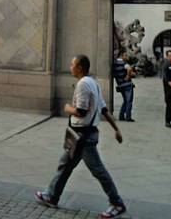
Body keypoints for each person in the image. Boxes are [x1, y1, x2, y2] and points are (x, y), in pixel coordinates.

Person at [35, 54, 127, 219]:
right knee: (65, 165)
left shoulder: (83, 84)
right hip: (80, 135)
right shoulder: (94, 83)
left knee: (98, 171)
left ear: (80, 68)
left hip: (83, 137)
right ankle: (52, 196)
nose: (70, 67)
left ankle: (117, 204)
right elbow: (104, 110)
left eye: (73, 64)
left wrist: (67, 108)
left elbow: (81, 111)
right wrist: (116, 129)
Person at [112, 49, 135, 122]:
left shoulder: (114, 62)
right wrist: (128, 76)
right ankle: (128, 117)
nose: (126, 56)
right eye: (125, 55)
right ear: (121, 56)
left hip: (120, 84)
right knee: (129, 101)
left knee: (125, 101)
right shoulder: (124, 62)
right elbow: (129, 69)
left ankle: (121, 116)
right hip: (127, 84)